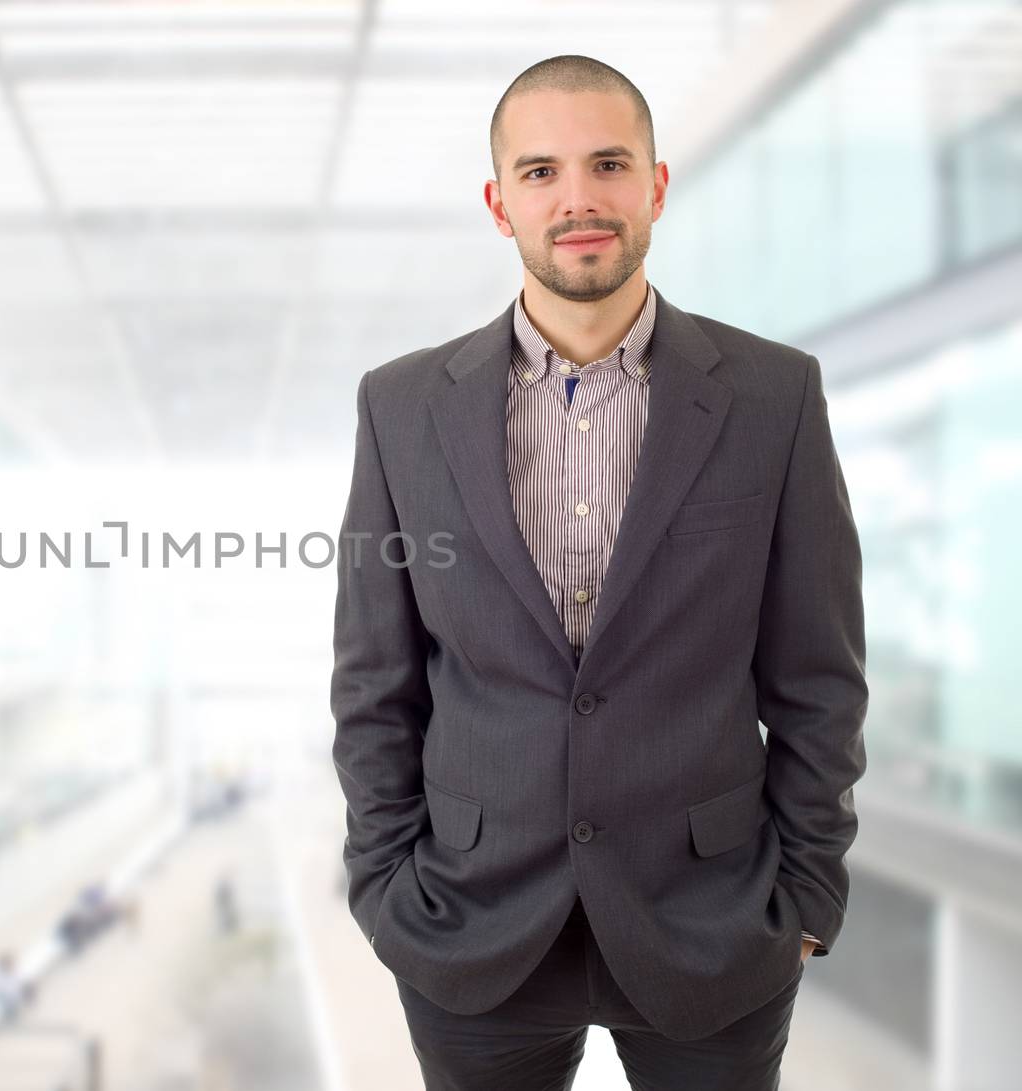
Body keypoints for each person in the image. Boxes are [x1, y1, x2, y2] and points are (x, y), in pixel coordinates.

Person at [329, 54, 868, 1090]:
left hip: (715, 922)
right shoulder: (398, 408)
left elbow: (818, 674)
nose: (576, 198)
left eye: (607, 164)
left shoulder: (772, 395)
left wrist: (805, 895)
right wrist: (385, 887)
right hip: (469, 922)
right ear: (499, 204)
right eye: (539, 172)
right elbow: (372, 677)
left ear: (656, 185)